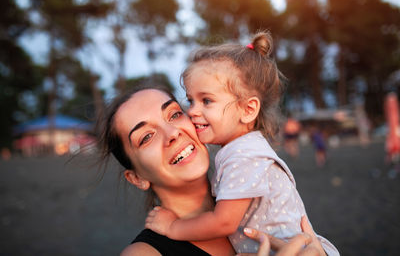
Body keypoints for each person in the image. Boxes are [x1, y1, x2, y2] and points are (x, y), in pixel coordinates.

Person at [145, 31, 339, 255]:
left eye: (206, 100)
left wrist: (173, 227)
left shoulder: (244, 155)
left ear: (248, 110)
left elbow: (224, 222)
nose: (193, 111)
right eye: (190, 100)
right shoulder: (242, 149)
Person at [98, 81, 328, 256]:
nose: (172, 133)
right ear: (136, 178)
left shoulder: (261, 207)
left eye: (175, 114)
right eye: (146, 136)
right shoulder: (144, 253)